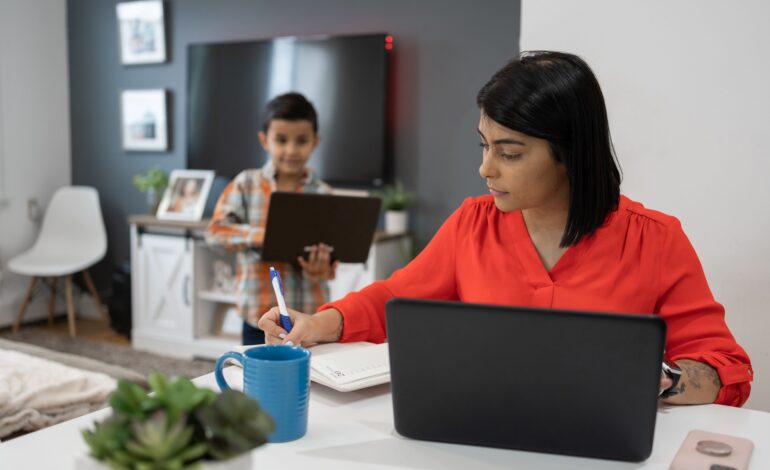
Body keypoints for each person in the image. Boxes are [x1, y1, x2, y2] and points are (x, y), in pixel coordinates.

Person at [259, 51, 753, 407]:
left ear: (570, 155)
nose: (486, 169)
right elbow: (395, 297)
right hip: (481, 435)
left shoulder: (656, 240)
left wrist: (663, 379)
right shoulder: (473, 223)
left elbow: (724, 368)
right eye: (484, 146)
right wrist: (316, 324)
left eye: (509, 153)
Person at [207, 92, 337, 345]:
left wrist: (320, 269)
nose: (291, 150)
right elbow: (216, 231)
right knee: (258, 381)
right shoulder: (246, 183)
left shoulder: (324, 194)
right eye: (281, 140)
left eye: (301, 141)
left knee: (309, 379)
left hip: (309, 319)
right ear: (265, 140)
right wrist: (265, 235)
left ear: (315, 142)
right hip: (258, 317)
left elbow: (330, 267)